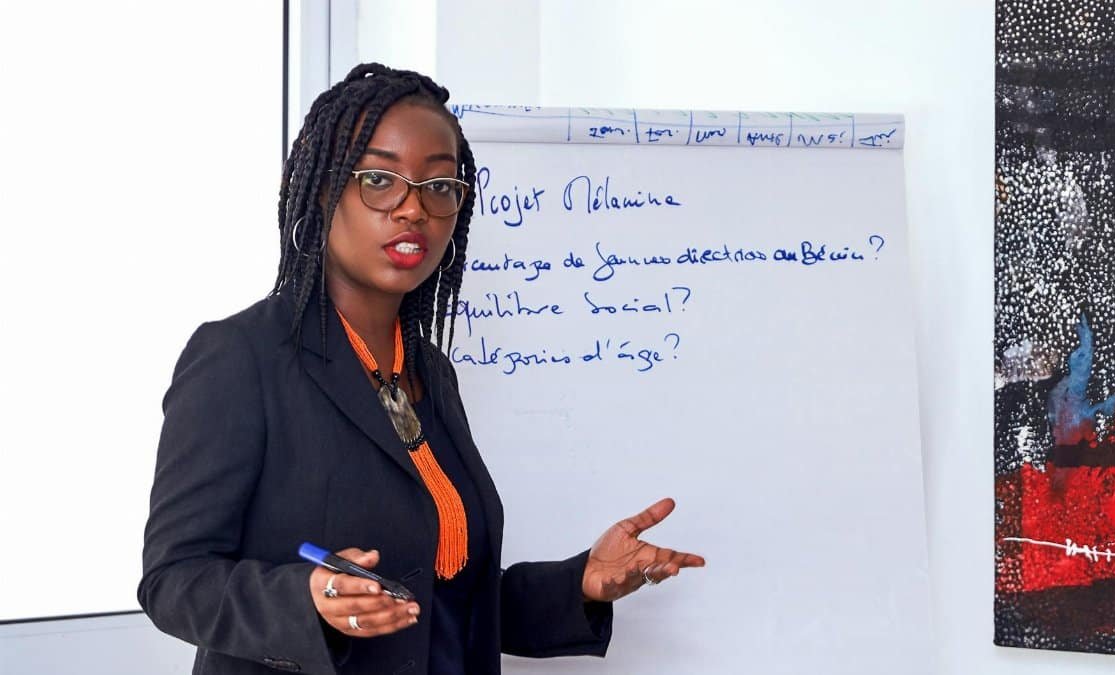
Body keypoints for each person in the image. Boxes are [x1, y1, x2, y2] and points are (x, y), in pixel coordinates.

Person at [137, 63, 705, 675]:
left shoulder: (430, 372)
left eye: (438, 186)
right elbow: (174, 579)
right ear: (324, 192)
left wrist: (581, 584)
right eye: (380, 180)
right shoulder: (240, 357)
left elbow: (443, 603)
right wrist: (306, 601)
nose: (413, 209)